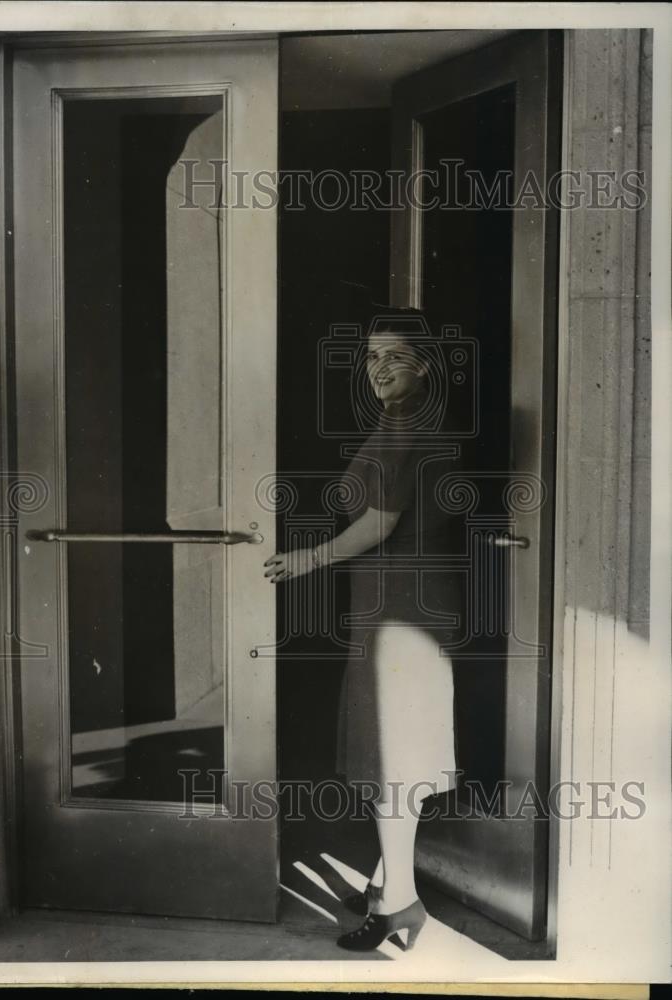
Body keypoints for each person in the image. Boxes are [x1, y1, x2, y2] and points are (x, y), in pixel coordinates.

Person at [264, 311, 464, 953]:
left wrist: (307, 558)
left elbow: (379, 522)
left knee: (391, 763)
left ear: (425, 364)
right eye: (372, 357)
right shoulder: (405, 416)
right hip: (399, 605)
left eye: (395, 355)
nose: (379, 367)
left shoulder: (408, 423)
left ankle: (401, 903)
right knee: (395, 756)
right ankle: (387, 886)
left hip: (401, 613)